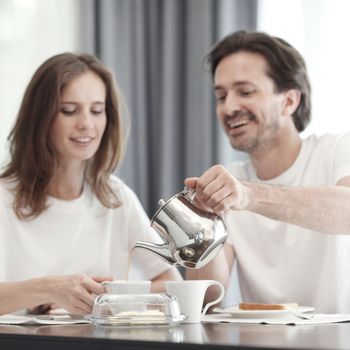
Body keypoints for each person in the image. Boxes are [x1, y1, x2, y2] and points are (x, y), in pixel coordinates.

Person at [0, 53, 181, 316]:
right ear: (40, 118)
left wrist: (109, 295)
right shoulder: (4, 197)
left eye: (97, 110)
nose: (86, 124)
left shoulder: (115, 196)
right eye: (69, 111)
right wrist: (51, 289)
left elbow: (173, 283)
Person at [185, 31, 350, 313]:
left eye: (245, 92)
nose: (229, 107)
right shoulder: (231, 186)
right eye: (221, 96)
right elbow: (206, 299)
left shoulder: (336, 150)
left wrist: (249, 195)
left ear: (289, 101)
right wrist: (204, 226)